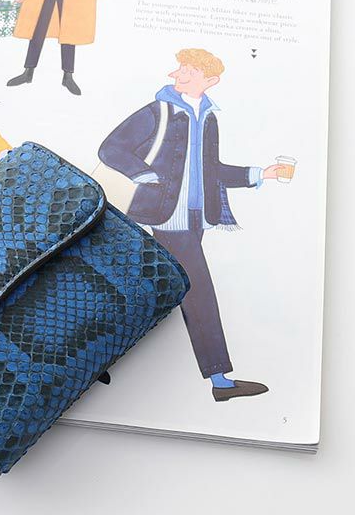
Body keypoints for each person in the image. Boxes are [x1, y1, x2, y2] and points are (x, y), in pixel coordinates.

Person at [98, 49, 285, 401]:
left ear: (210, 80)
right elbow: (111, 149)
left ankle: (95, 360)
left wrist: (260, 174)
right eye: (181, 67)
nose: (179, 73)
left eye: (189, 70)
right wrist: (145, 175)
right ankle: (221, 381)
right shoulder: (159, 111)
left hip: (198, 218)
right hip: (168, 218)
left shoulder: (208, 117)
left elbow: (212, 170)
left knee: (144, 288)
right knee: (197, 291)